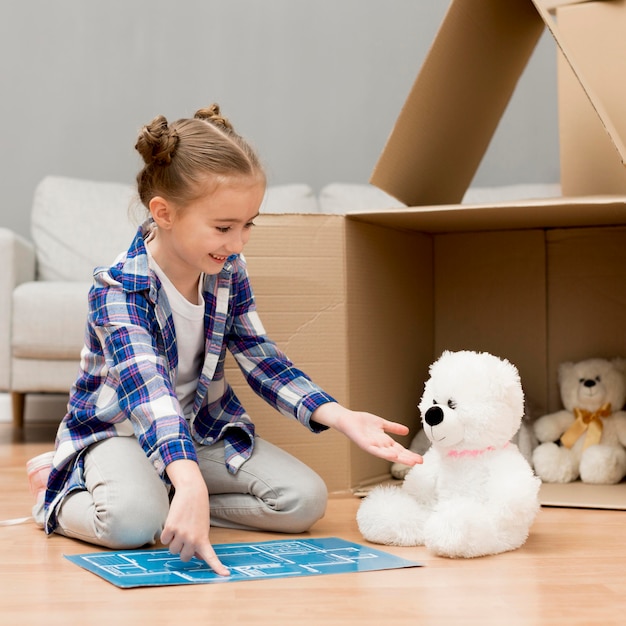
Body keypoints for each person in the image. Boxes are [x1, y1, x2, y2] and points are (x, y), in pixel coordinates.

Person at [27, 104, 422, 576]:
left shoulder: (226, 270)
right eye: (223, 227)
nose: (238, 243)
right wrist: (189, 477)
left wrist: (339, 416)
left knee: (302, 501)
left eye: (248, 224)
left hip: (198, 428)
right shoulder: (117, 288)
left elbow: (259, 356)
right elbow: (149, 394)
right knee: (130, 524)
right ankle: (62, 489)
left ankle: (173, 500)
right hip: (122, 433)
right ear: (164, 212)